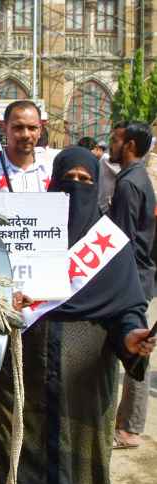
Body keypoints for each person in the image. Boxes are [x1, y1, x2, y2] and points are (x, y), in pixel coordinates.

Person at [0, 147, 155, 484]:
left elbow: (127, 310)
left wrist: (132, 338)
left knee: (81, 464)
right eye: (67, 178)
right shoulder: (23, 232)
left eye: (85, 179)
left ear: (97, 188)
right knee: (15, 462)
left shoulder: (108, 248)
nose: (75, 187)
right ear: (53, 184)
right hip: (18, 380)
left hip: (84, 384)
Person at [107, 121, 157, 449]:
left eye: (115, 140)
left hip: (131, 279)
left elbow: (119, 241)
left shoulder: (128, 185)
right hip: (141, 275)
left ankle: (130, 428)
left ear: (129, 146)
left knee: (137, 351)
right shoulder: (139, 179)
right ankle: (128, 421)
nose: (110, 145)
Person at [0, 100, 51, 192]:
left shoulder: (51, 172)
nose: (26, 135)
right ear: (5, 128)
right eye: (18, 127)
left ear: (39, 131)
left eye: (32, 128)